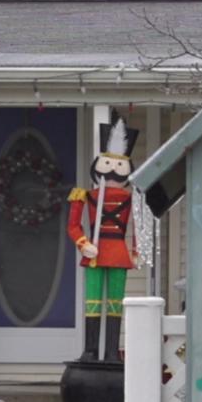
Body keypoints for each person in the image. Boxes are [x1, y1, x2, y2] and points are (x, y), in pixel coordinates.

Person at [67, 116, 138, 362]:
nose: (112, 169)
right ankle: (90, 350)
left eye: (119, 165)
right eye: (108, 163)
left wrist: (137, 249)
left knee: (115, 303)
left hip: (118, 250)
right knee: (93, 301)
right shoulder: (84, 195)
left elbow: (138, 225)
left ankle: (110, 351)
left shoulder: (133, 198)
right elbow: (73, 225)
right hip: (95, 250)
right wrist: (83, 243)